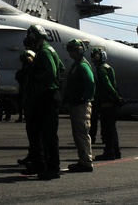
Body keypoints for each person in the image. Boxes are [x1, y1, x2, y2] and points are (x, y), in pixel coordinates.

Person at [23, 24, 63, 180]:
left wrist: (35, 78)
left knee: (48, 135)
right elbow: (61, 67)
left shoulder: (45, 51)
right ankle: (41, 165)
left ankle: (53, 168)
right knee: (42, 132)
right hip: (48, 96)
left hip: (47, 97)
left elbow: (52, 73)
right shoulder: (49, 50)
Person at [62, 39, 95, 173]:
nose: (71, 52)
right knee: (79, 133)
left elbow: (90, 82)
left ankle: (86, 162)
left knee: (81, 133)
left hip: (81, 105)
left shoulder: (82, 65)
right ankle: (83, 160)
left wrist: (85, 98)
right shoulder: (77, 64)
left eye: (73, 50)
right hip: (76, 103)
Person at [91, 46, 121, 160]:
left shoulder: (101, 69)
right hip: (111, 102)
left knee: (107, 129)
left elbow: (107, 85)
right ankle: (115, 151)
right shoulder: (109, 67)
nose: (93, 59)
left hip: (106, 103)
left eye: (94, 56)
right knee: (112, 129)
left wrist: (116, 96)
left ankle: (109, 152)